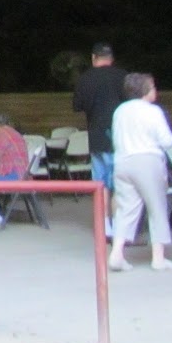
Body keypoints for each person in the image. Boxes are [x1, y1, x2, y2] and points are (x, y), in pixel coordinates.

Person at [109, 73, 172, 272]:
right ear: (145, 91)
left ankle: (117, 253)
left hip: (122, 161)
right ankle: (158, 258)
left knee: (126, 208)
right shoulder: (153, 111)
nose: (155, 90)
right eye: (153, 87)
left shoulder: (120, 111)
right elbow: (166, 140)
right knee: (156, 207)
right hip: (148, 161)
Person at [73, 41, 127, 235]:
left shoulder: (85, 78)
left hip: (97, 136)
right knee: (120, 183)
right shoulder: (123, 76)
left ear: (93, 58)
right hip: (121, 137)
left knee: (101, 183)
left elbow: (78, 105)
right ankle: (122, 227)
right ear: (111, 59)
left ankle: (105, 226)